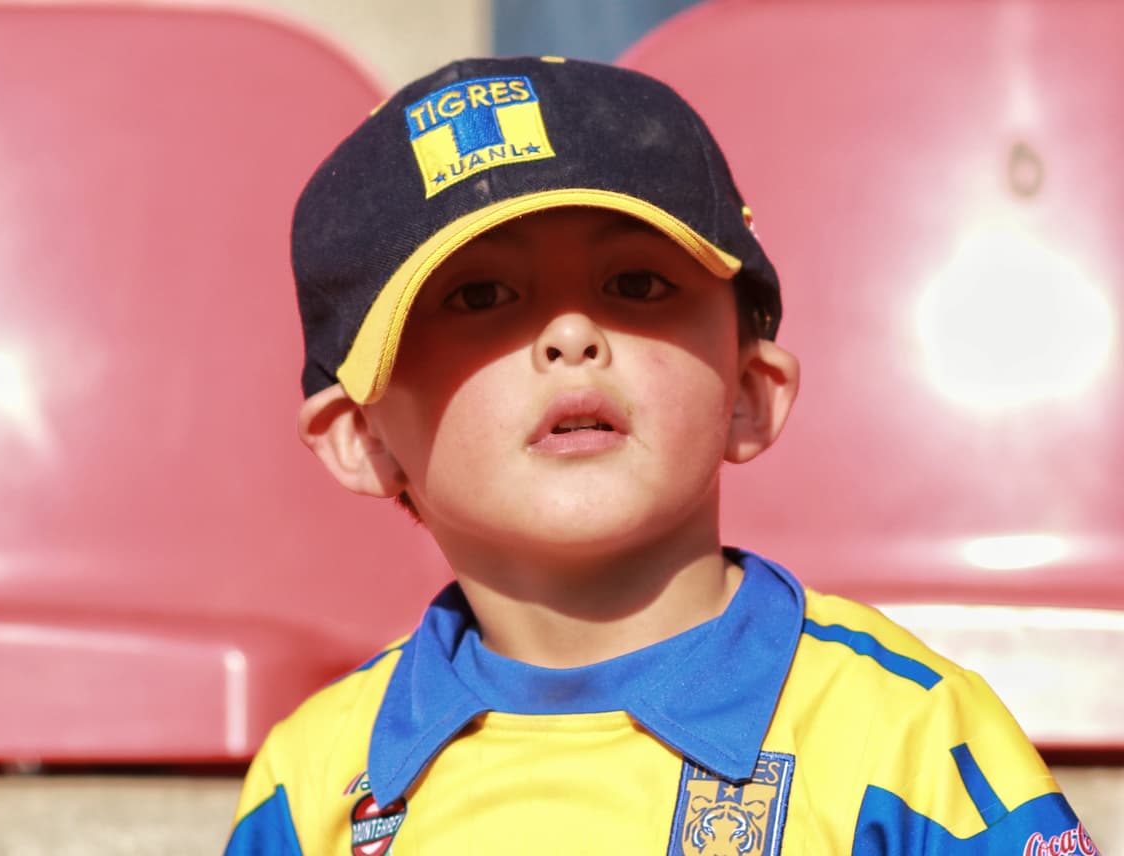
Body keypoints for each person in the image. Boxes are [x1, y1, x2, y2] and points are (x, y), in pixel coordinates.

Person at [223, 56, 1092, 855]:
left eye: (636, 285)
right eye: (479, 294)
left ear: (748, 392)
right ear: (362, 437)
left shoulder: (906, 733)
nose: (571, 335)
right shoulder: (311, 787)